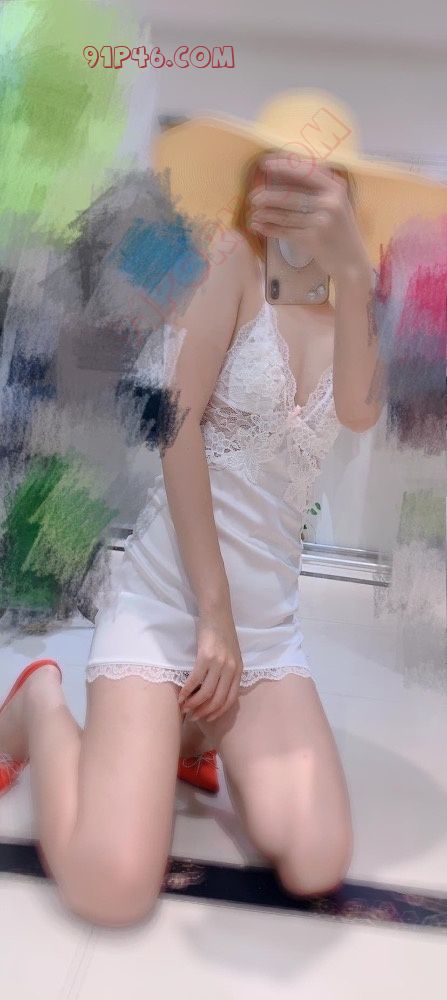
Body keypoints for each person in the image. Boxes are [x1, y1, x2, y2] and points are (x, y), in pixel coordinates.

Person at [1, 89, 442, 928]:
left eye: (318, 183)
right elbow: (176, 430)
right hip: (171, 607)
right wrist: (212, 616)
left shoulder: (350, 304)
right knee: (111, 886)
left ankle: (192, 734)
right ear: (253, 183)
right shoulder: (230, 263)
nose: (294, 196)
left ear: (346, 196)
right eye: (278, 175)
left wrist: (355, 272)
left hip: (264, 633)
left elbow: (356, 412)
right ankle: (39, 705)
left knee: (315, 860)